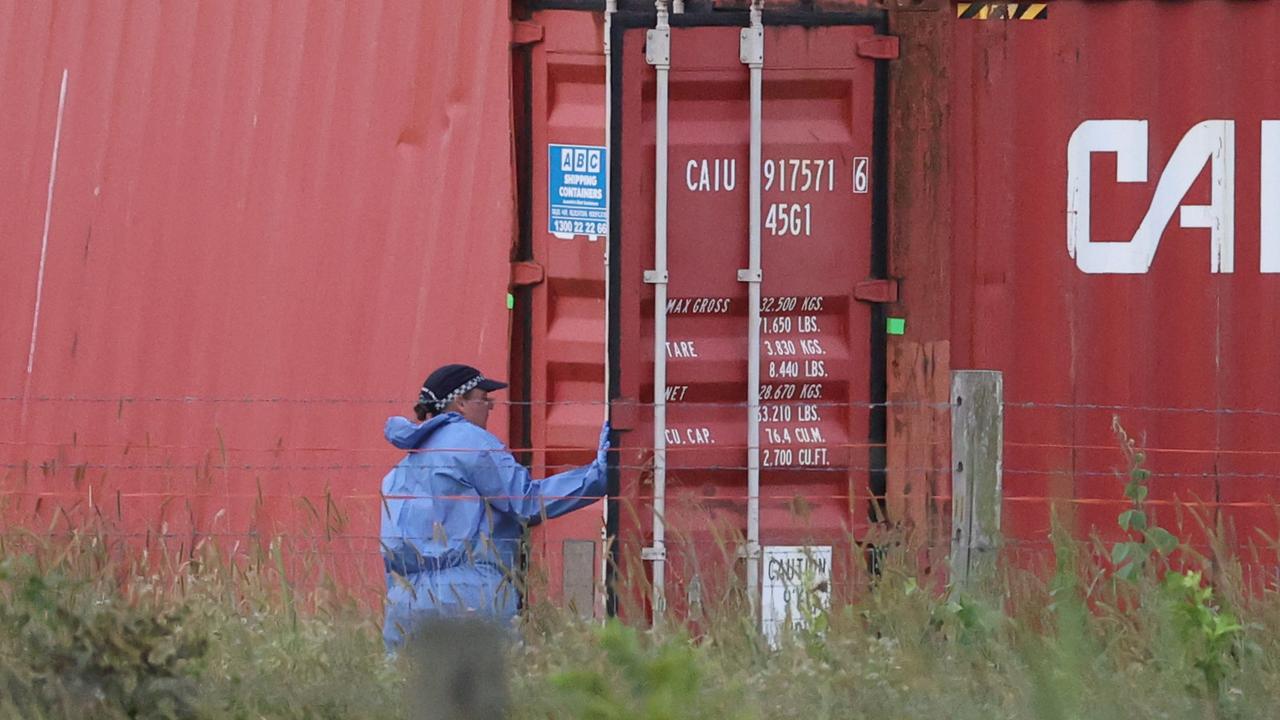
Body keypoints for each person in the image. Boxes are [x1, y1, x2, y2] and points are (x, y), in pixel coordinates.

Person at [380, 363, 609, 649]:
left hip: (405, 604)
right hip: (469, 597)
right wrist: (597, 477)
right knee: (488, 688)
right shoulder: (470, 442)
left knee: (413, 688)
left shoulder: (399, 471)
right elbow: (525, 502)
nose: (489, 406)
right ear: (460, 403)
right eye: (483, 398)